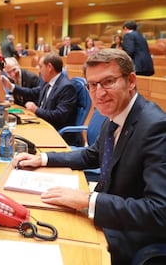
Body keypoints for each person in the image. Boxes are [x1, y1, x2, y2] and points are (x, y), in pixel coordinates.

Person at [13, 48, 166, 264]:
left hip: (131, 233)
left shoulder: (156, 127)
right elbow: (91, 156)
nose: (99, 93)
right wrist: (43, 159)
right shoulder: (115, 115)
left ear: (131, 81)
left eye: (108, 81)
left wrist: (88, 200)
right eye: (92, 85)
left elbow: (159, 212)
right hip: (106, 214)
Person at [2, 52, 79, 146]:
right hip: (43, 125)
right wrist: (12, 87)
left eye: (40, 66)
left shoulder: (66, 87)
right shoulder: (47, 82)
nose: (38, 70)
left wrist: (36, 110)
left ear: (49, 67)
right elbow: (32, 92)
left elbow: (60, 116)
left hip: (56, 134)